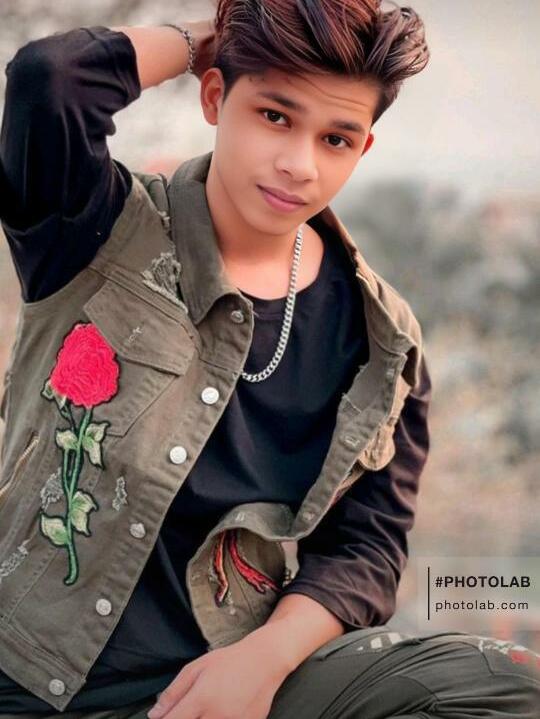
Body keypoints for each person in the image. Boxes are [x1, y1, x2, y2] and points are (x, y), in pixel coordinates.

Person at [0, 1, 538, 717]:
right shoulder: (94, 229)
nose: (299, 164)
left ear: (363, 149)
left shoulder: (382, 342)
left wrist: (263, 659)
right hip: (27, 680)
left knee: (511, 681)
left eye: (336, 138)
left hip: (228, 687)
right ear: (215, 98)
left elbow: (366, 548)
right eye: (275, 116)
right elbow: (49, 79)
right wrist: (211, 38)